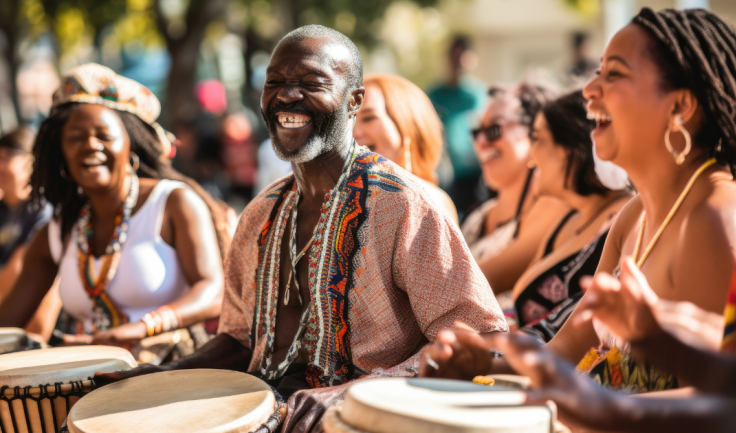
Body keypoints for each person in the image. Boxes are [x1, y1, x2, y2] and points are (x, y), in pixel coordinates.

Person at [99, 25, 507, 433]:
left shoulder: (400, 204)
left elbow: (480, 340)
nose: (287, 96)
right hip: (264, 408)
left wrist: (352, 391)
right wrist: (164, 374)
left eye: (311, 83)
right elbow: (243, 342)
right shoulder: (261, 212)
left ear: (354, 101)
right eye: (275, 82)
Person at [421, 6, 736, 394]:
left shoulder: (716, 216)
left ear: (679, 106)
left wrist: (584, 409)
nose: (590, 90)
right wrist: (483, 360)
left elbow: (719, 404)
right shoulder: (634, 215)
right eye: (598, 73)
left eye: (615, 75)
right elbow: (568, 349)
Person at [0, 63, 232, 363]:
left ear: (130, 146)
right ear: (61, 153)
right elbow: (8, 323)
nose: (90, 146)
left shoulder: (172, 202)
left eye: (104, 135)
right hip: (90, 379)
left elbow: (213, 292)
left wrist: (140, 329)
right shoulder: (58, 230)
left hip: (173, 371)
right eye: (75, 138)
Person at [512, 91, 632, 341]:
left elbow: (570, 334)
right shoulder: (569, 218)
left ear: (571, 146)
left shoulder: (624, 217)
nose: (530, 155)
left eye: (537, 139)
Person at [461, 83, 570, 321]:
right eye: (476, 133)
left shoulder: (554, 206)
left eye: (494, 130)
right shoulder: (478, 217)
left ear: (537, 131)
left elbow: (480, 282)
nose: (481, 142)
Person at [353, 73, 458, 223]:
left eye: (369, 118)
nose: (355, 133)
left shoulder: (432, 203)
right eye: (350, 121)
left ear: (407, 124)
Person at [0, 127, 59, 340]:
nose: (0, 166)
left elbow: (18, 273)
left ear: (30, 162)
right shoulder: (3, 209)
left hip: (35, 328)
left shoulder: (42, 209)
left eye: (6, 158)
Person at [428, 36, 488, 215]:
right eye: (455, 56)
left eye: (463, 56)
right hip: (444, 171)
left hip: (476, 172)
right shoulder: (436, 94)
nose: (458, 62)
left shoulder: (478, 95)